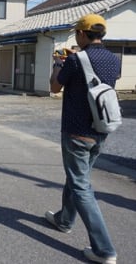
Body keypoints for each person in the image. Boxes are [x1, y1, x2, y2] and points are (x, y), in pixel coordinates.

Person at [46, 14, 119, 264]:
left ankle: (104, 249)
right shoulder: (114, 59)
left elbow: (55, 88)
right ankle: (64, 220)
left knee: (81, 186)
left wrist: (58, 63)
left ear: (82, 34)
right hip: (100, 129)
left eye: (77, 32)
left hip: (77, 132)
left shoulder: (76, 59)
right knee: (77, 177)